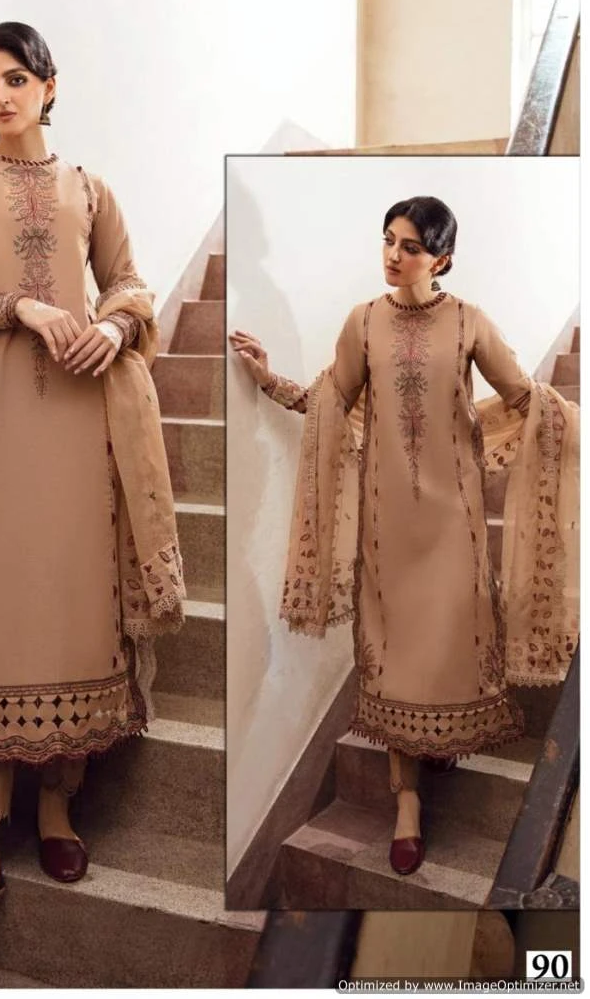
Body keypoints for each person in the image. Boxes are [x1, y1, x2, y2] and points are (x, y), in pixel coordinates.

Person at [0, 22, 185, 923]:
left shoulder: (89, 188)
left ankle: (58, 809)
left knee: (76, 603)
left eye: (16, 78)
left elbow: (130, 283)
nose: (0, 97)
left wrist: (114, 326)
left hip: (86, 420)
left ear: (50, 86)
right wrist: (20, 306)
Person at [230, 196, 578, 877]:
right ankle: (407, 801)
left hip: (455, 521)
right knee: (392, 656)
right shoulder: (363, 322)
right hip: (386, 522)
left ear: (442, 258)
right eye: (388, 240)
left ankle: (439, 739)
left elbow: (523, 398)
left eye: (411, 247)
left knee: (448, 640)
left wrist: (569, 420)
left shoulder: (470, 322)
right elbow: (333, 403)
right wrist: (269, 382)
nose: (394, 256)